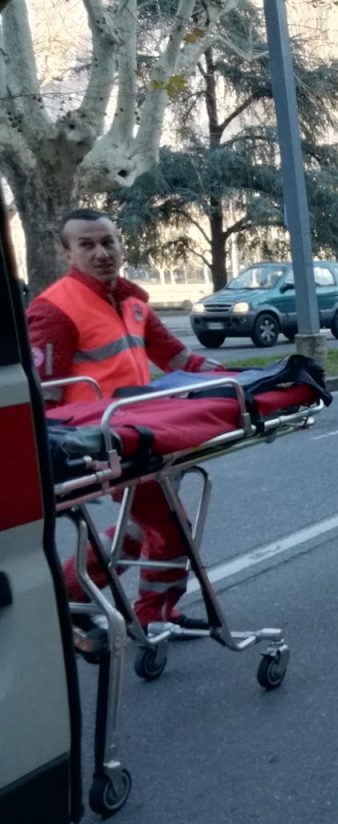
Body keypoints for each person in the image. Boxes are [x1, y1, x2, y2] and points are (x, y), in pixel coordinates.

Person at [27, 208, 223, 629]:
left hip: (145, 434)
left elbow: (176, 357)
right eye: (87, 245)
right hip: (99, 443)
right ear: (67, 253)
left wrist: (238, 378)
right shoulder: (54, 311)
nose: (101, 253)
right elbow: (43, 398)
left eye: (108, 242)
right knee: (171, 525)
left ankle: (75, 598)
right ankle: (151, 613)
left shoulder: (132, 301)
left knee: (138, 528)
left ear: (120, 245)